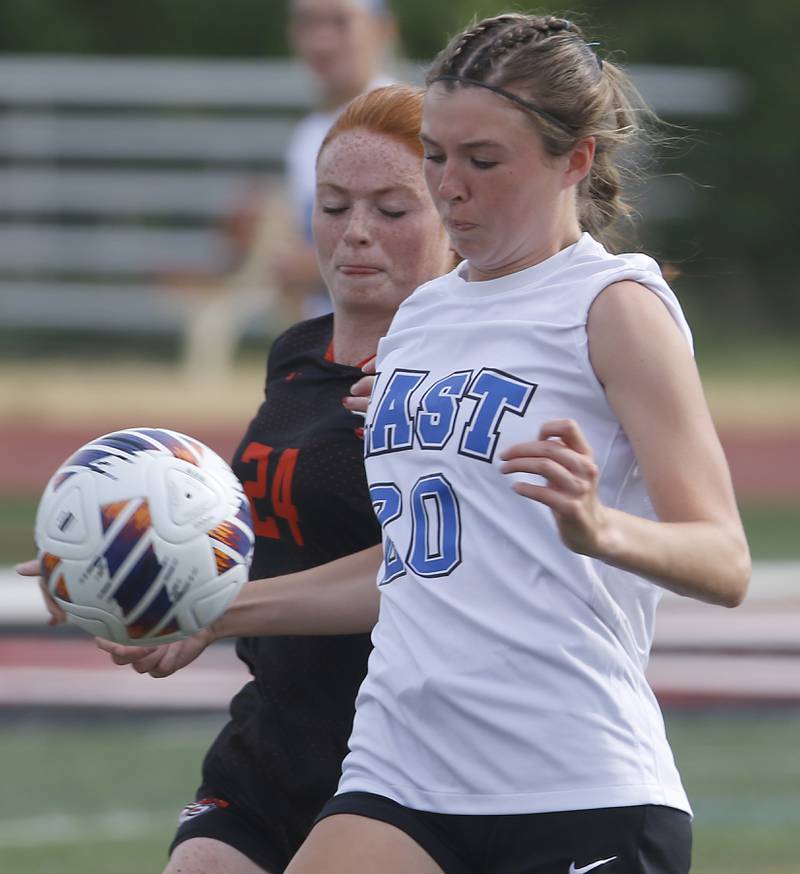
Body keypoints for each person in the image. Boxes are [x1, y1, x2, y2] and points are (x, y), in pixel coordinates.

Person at [94, 13, 751, 874]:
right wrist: (193, 600)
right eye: (437, 156)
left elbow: (725, 559)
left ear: (576, 159)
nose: (451, 187)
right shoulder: (421, 321)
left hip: (572, 780)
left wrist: (602, 528)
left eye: (483, 160)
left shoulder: (613, 306)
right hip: (400, 770)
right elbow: (407, 566)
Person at [18, 84, 453, 874]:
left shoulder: (459, 381)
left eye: (393, 210)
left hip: (408, 758)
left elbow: (430, 569)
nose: (356, 233)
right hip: (272, 738)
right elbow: (271, 527)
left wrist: (213, 611)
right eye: (333, 205)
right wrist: (125, 565)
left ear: (456, 214)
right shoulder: (296, 351)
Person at [276, 0, 399, 320]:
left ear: (382, 29)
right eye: (306, 22)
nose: (321, 41)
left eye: (340, 22)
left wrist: (308, 268)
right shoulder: (308, 134)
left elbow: (428, 256)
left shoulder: (400, 122)